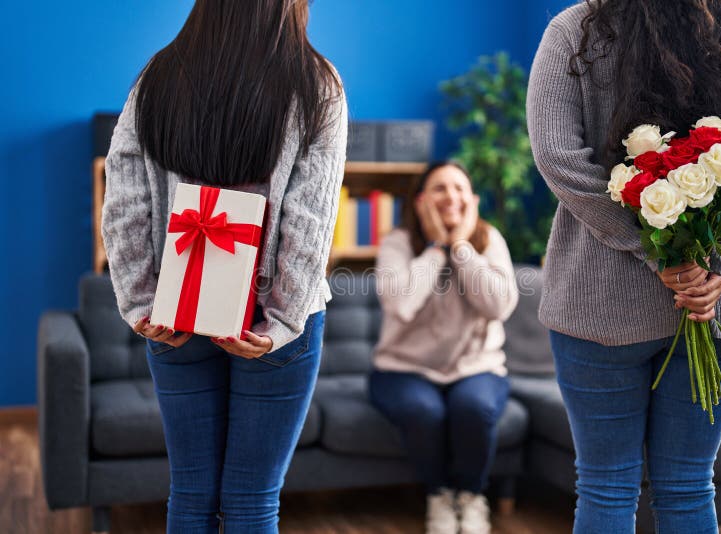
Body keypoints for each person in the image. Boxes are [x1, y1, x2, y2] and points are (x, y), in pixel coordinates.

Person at [527, 0, 721, 532]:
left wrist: (657, 252)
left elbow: (559, 158)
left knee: (606, 486)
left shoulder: (575, 31)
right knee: (688, 486)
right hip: (718, 307)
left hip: (600, 307)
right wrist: (716, 255)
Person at [100, 1, 347, 532]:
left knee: (190, 495)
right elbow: (311, 218)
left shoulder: (158, 75)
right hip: (272, 326)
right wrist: (280, 321)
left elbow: (123, 196)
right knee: (253, 501)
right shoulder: (317, 83)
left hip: (176, 312)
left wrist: (143, 302)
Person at [368, 161, 519, 534]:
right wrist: (437, 249)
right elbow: (402, 305)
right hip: (403, 369)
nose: (451, 196)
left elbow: (499, 307)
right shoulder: (397, 242)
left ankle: (470, 496)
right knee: (424, 411)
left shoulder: (490, 239)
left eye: (459, 188)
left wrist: (462, 249)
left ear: (473, 201)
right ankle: (438, 495)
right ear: (420, 201)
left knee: (474, 407)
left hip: (476, 367)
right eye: (439, 188)